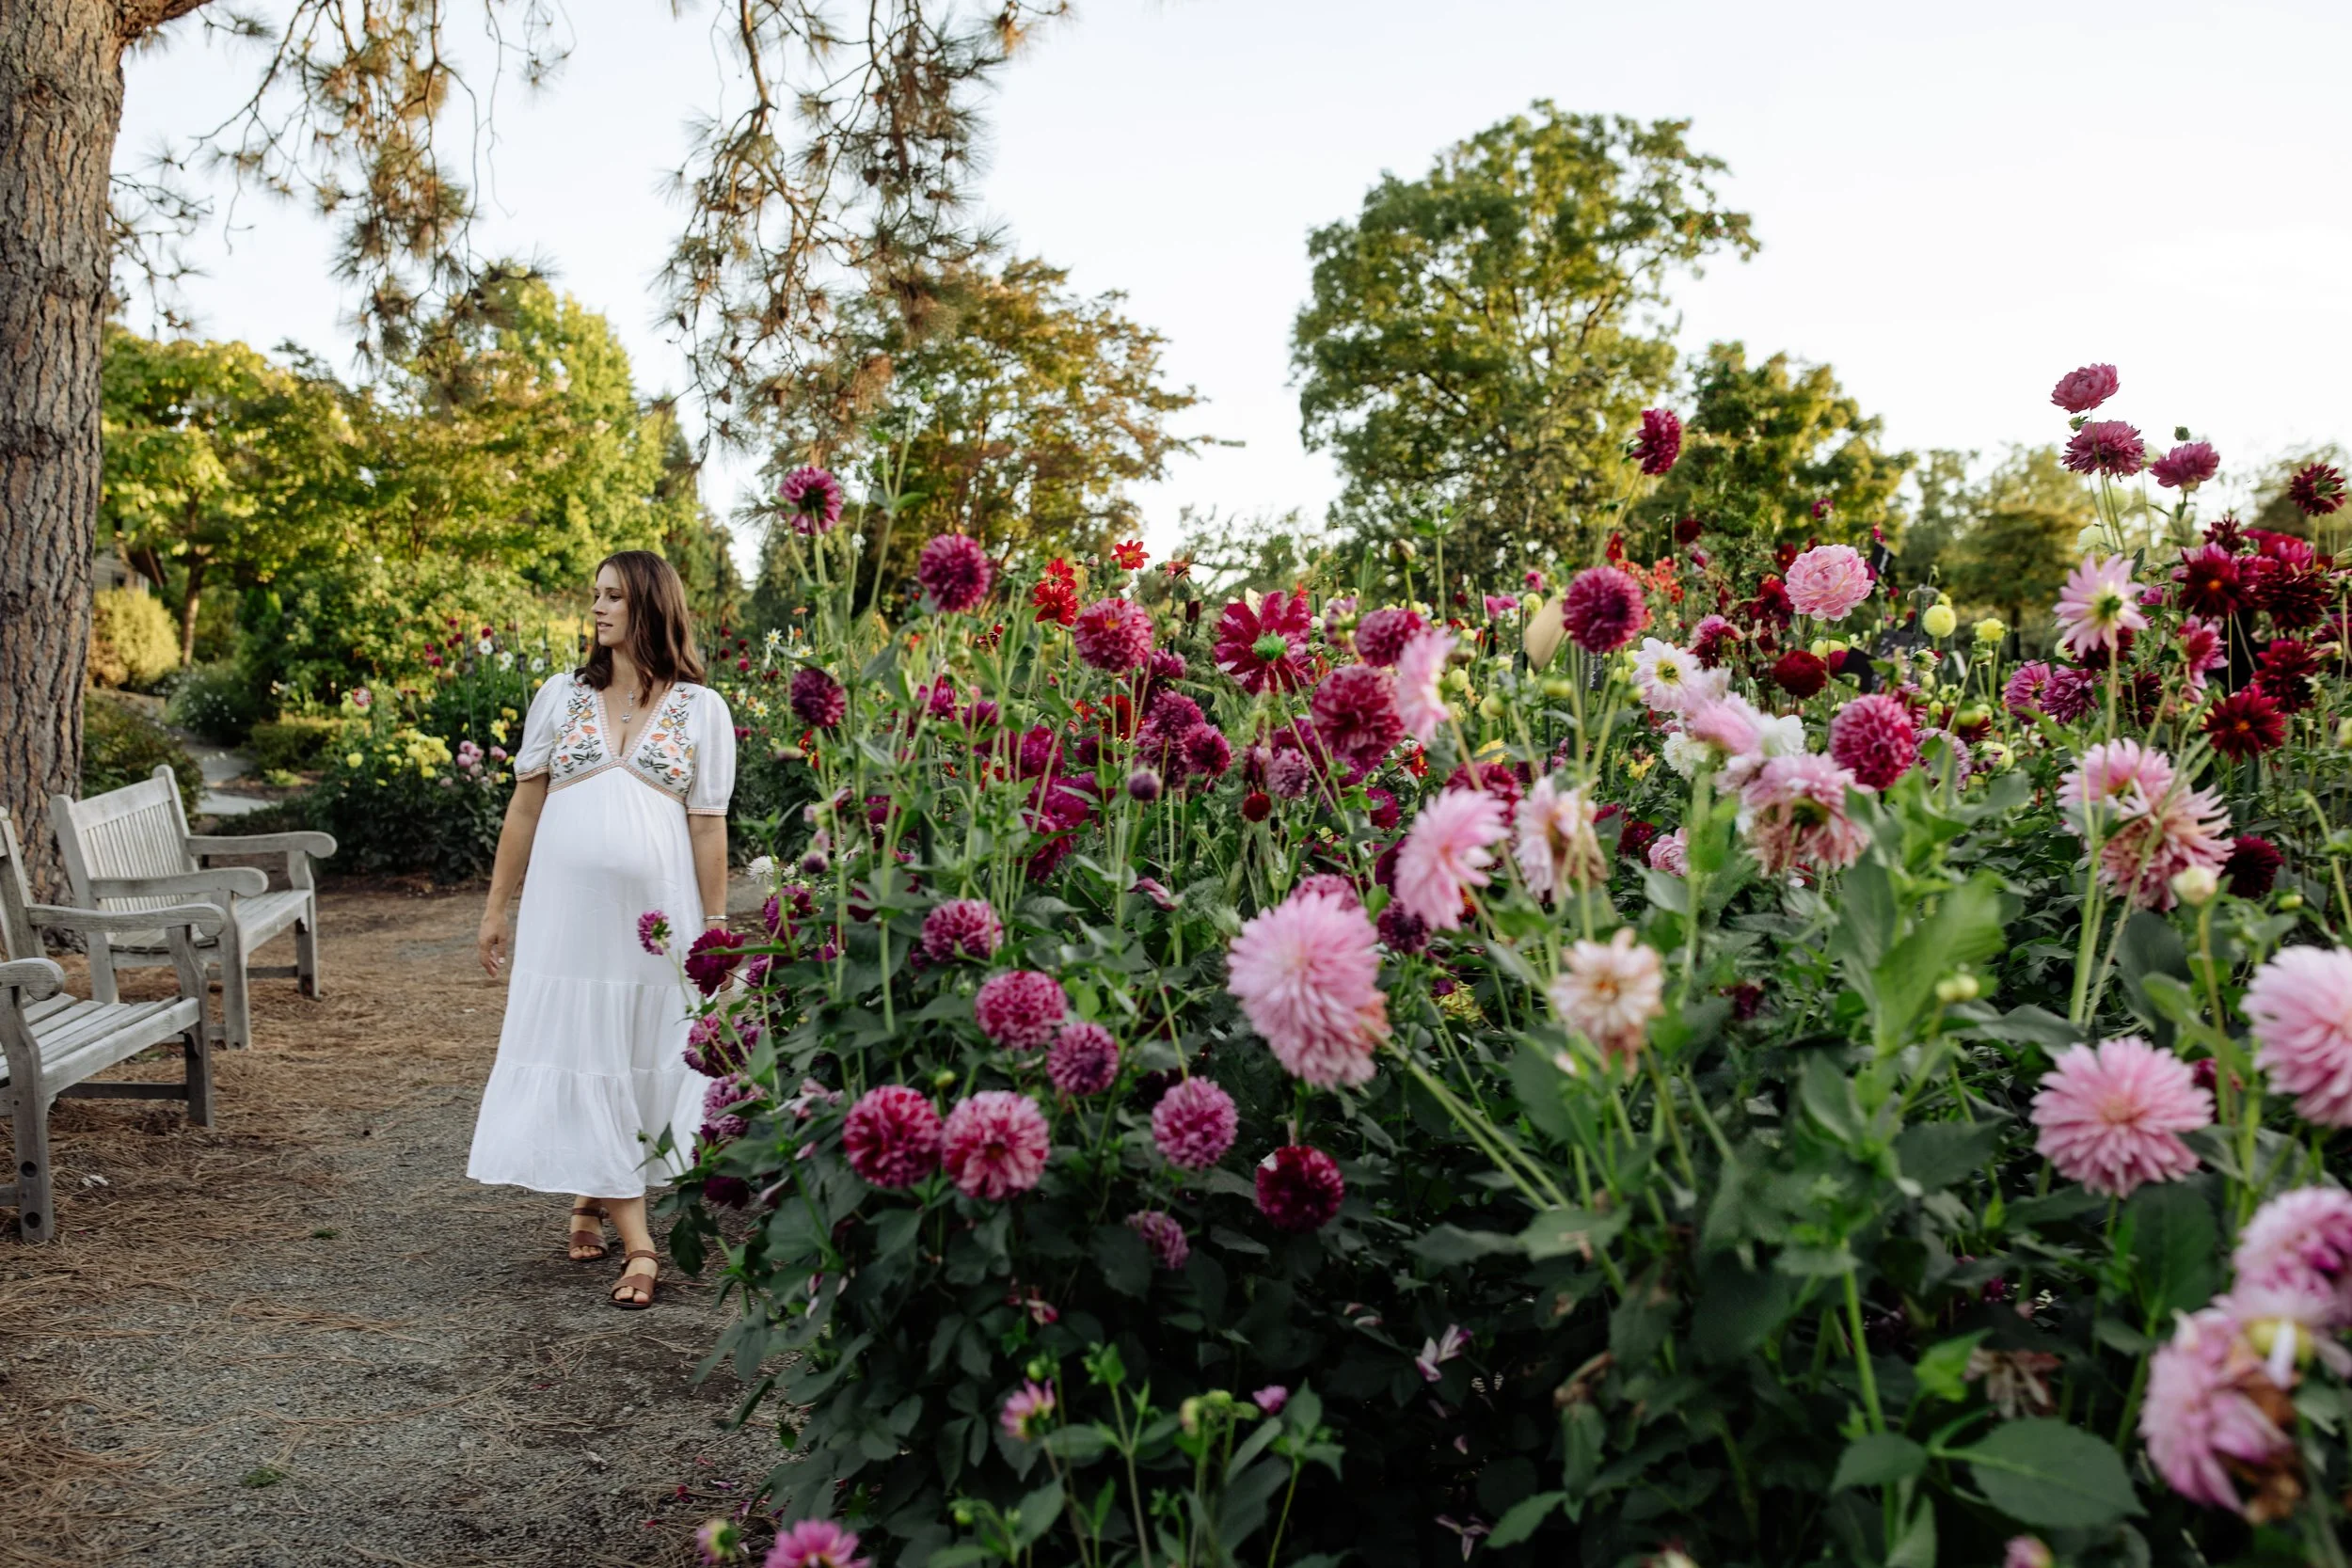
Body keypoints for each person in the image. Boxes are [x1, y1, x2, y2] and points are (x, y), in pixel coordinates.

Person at [469, 550, 736, 1308]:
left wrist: (713, 928)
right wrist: (497, 905)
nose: (598, 607)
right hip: (567, 919)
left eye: (614, 595)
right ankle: (642, 1241)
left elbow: (709, 825)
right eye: (594, 595)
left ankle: (592, 1197)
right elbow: (525, 808)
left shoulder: (700, 709)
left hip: (659, 921)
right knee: (586, 1045)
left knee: (636, 1048)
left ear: (650, 606)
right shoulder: (560, 697)